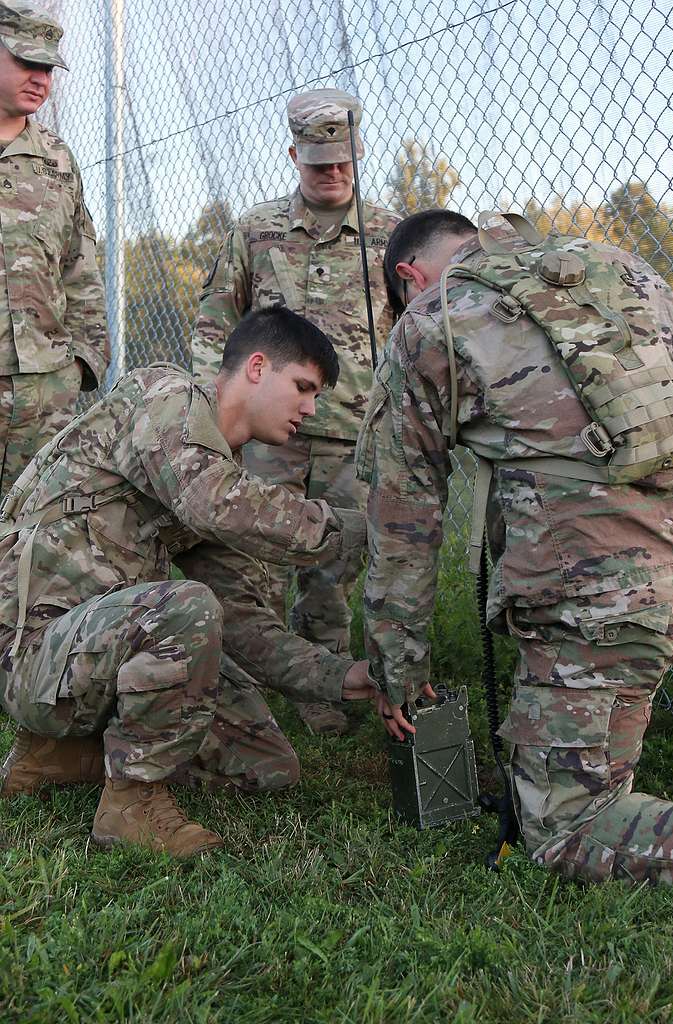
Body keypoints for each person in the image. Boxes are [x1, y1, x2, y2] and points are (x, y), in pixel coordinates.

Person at [358, 207, 673, 884]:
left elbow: (403, 524)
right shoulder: (619, 270)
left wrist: (399, 666)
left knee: (568, 830)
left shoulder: (431, 321)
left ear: (410, 278)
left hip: (598, 603)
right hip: (663, 569)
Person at [0, 307, 376, 858]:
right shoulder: (165, 397)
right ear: (255, 367)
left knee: (268, 765)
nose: (310, 409)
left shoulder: (219, 473)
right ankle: (132, 802)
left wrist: (341, 677)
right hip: (31, 656)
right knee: (186, 607)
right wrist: (359, 531)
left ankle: (66, 754)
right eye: (302, 387)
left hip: (91, 655)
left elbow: (245, 625)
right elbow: (215, 506)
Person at [192, 88, 400, 735]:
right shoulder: (256, 232)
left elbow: (414, 335)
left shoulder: (390, 239)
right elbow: (213, 326)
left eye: (342, 161)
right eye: (317, 164)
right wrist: (210, 420)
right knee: (250, 556)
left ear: (358, 152)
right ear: (293, 156)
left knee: (333, 564)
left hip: (353, 434)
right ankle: (243, 688)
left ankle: (326, 691)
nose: (332, 174)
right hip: (267, 438)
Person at [0, 3, 108, 499]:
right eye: (27, 63)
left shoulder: (58, 159)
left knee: (35, 533)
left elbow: (80, 267)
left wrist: (83, 362)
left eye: (49, 67)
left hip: (46, 392)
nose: (41, 78)